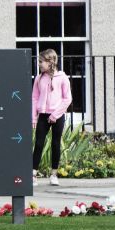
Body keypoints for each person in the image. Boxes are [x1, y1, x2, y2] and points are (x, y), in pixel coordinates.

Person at [31, 49, 72, 186]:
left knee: (55, 144)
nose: (39, 64)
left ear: (50, 62)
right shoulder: (39, 78)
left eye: (41, 61)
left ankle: (54, 174)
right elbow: (34, 98)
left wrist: (55, 114)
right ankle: (33, 174)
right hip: (43, 115)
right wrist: (34, 118)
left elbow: (67, 99)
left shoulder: (63, 78)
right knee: (38, 144)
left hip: (57, 116)